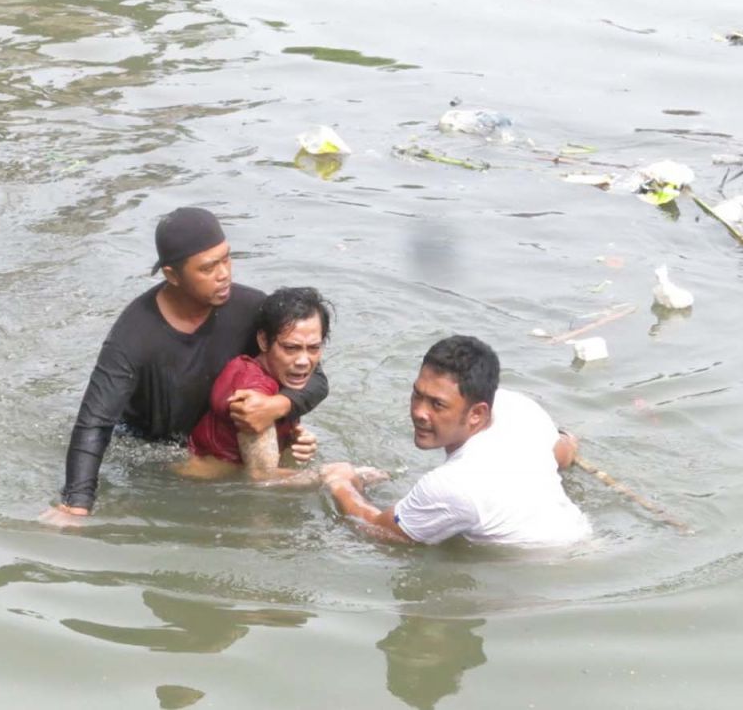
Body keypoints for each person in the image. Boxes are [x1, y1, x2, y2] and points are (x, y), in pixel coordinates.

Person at [40, 207, 329, 523]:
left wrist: (279, 407)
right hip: (152, 450)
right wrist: (76, 505)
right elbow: (94, 422)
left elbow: (313, 374)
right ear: (172, 275)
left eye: (226, 259)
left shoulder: (249, 309)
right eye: (208, 268)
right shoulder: (134, 335)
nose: (224, 274)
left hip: (214, 436)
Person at [320, 335, 590, 547]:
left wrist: (342, 484)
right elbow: (562, 455)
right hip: (582, 541)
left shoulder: (452, 485)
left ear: (477, 413)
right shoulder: (519, 407)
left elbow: (382, 532)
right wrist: (569, 440)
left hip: (539, 576)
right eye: (417, 395)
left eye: (437, 404)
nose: (419, 412)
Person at [179, 287, 386, 486]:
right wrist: (335, 476)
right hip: (198, 484)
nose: (304, 361)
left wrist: (289, 441)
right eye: (290, 348)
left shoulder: (280, 376)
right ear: (263, 340)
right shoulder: (252, 390)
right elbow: (262, 477)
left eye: (314, 348)